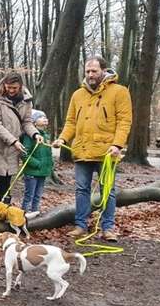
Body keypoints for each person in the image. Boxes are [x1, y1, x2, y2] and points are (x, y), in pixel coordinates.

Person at [52, 55, 132, 242]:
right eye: (87, 71)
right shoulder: (77, 95)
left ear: (103, 70)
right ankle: (80, 225)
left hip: (107, 152)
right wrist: (63, 138)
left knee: (107, 191)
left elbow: (124, 121)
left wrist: (117, 144)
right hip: (82, 151)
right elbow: (71, 122)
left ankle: (108, 228)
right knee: (81, 189)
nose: (90, 74)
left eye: (94, 71)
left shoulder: (119, 92)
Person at [0, 71, 39, 204]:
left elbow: (26, 122)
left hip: (11, 149)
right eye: (8, 87)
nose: (11, 90)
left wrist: (35, 134)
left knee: (5, 185)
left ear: (20, 86)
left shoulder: (26, 101)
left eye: (14, 88)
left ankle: (3, 210)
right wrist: (14, 141)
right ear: (4, 84)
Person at [20, 110, 53, 219]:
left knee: (38, 195)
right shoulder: (29, 136)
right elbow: (24, 154)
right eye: (41, 117)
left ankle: (35, 213)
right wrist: (37, 164)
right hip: (32, 172)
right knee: (29, 195)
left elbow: (48, 153)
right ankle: (23, 215)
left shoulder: (46, 136)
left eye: (45, 117)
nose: (45, 119)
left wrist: (49, 165)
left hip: (42, 172)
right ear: (34, 122)